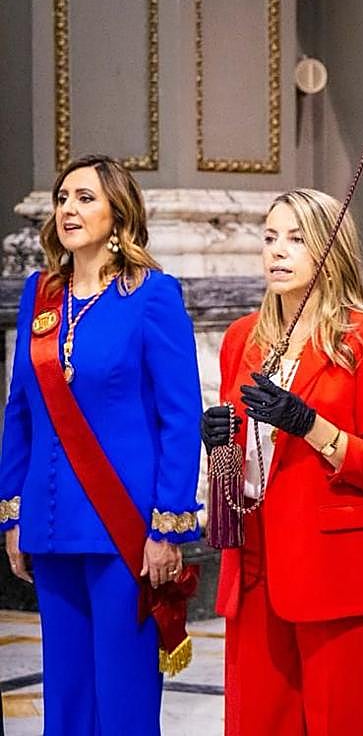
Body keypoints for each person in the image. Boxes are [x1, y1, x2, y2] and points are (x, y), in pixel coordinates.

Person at [0, 154, 202, 735]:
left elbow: (180, 417)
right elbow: (20, 410)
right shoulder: (40, 293)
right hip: (53, 521)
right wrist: (14, 513)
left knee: (124, 692)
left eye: (85, 197)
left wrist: (167, 528)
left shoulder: (153, 295)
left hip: (125, 526)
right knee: (65, 690)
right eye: (63, 198)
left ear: (119, 213)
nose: (68, 209)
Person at [202, 189, 363, 736]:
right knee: (258, 724)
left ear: (329, 250)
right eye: (270, 237)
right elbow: (243, 472)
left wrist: (311, 426)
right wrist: (218, 447)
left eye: (296, 238)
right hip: (254, 566)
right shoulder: (241, 338)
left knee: (344, 722)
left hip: (335, 570)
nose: (278, 251)